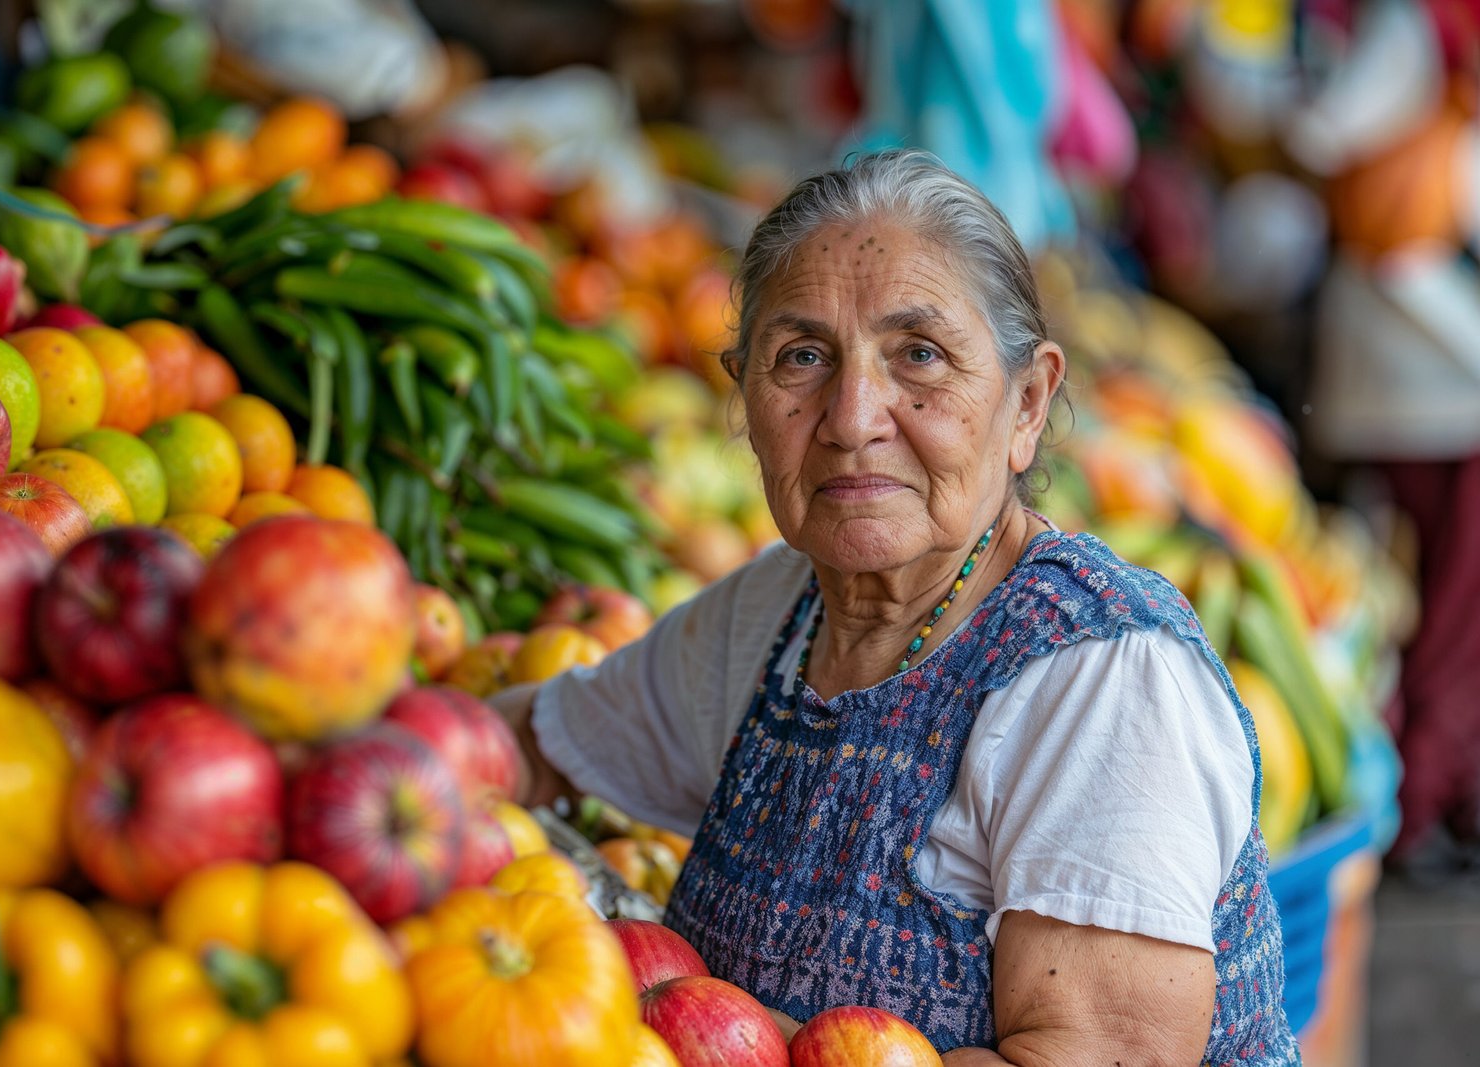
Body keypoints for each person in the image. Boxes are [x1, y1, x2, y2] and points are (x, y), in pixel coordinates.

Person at [493, 149, 1298, 1064]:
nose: (852, 415)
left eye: (919, 354)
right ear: (745, 398)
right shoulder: (775, 617)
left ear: (1027, 402)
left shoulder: (1103, 678)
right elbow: (539, 739)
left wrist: (747, 1044)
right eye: (802, 357)